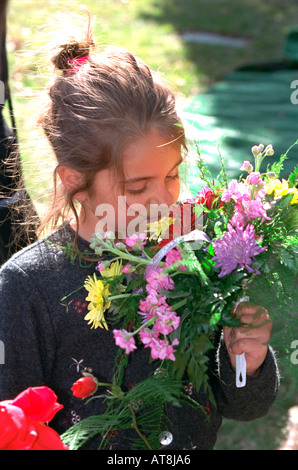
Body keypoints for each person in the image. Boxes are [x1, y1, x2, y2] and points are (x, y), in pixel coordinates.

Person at [0, 16, 279, 450]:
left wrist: (246, 361)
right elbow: (14, 425)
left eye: (171, 176)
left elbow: (242, 405)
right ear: (75, 180)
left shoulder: (195, 255)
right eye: (137, 187)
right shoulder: (26, 288)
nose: (164, 202)